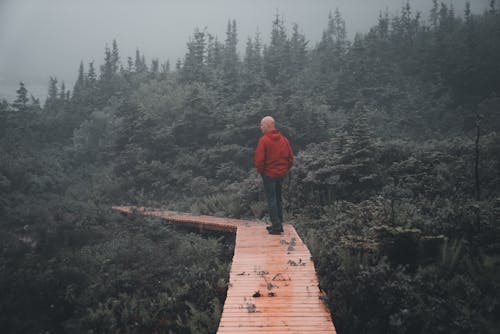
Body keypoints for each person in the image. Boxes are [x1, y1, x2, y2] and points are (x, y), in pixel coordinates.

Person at [254, 116, 294, 234]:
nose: (260, 127)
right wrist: (284, 170)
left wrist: (262, 172)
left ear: (268, 125)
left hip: (269, 175)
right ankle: (278, 223)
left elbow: (259, 160)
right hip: (280, 175)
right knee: (278, 199)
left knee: (271, 199)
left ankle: (276, 226)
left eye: (262, 125)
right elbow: (290, 158)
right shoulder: (284, 140)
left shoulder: (264, 140)